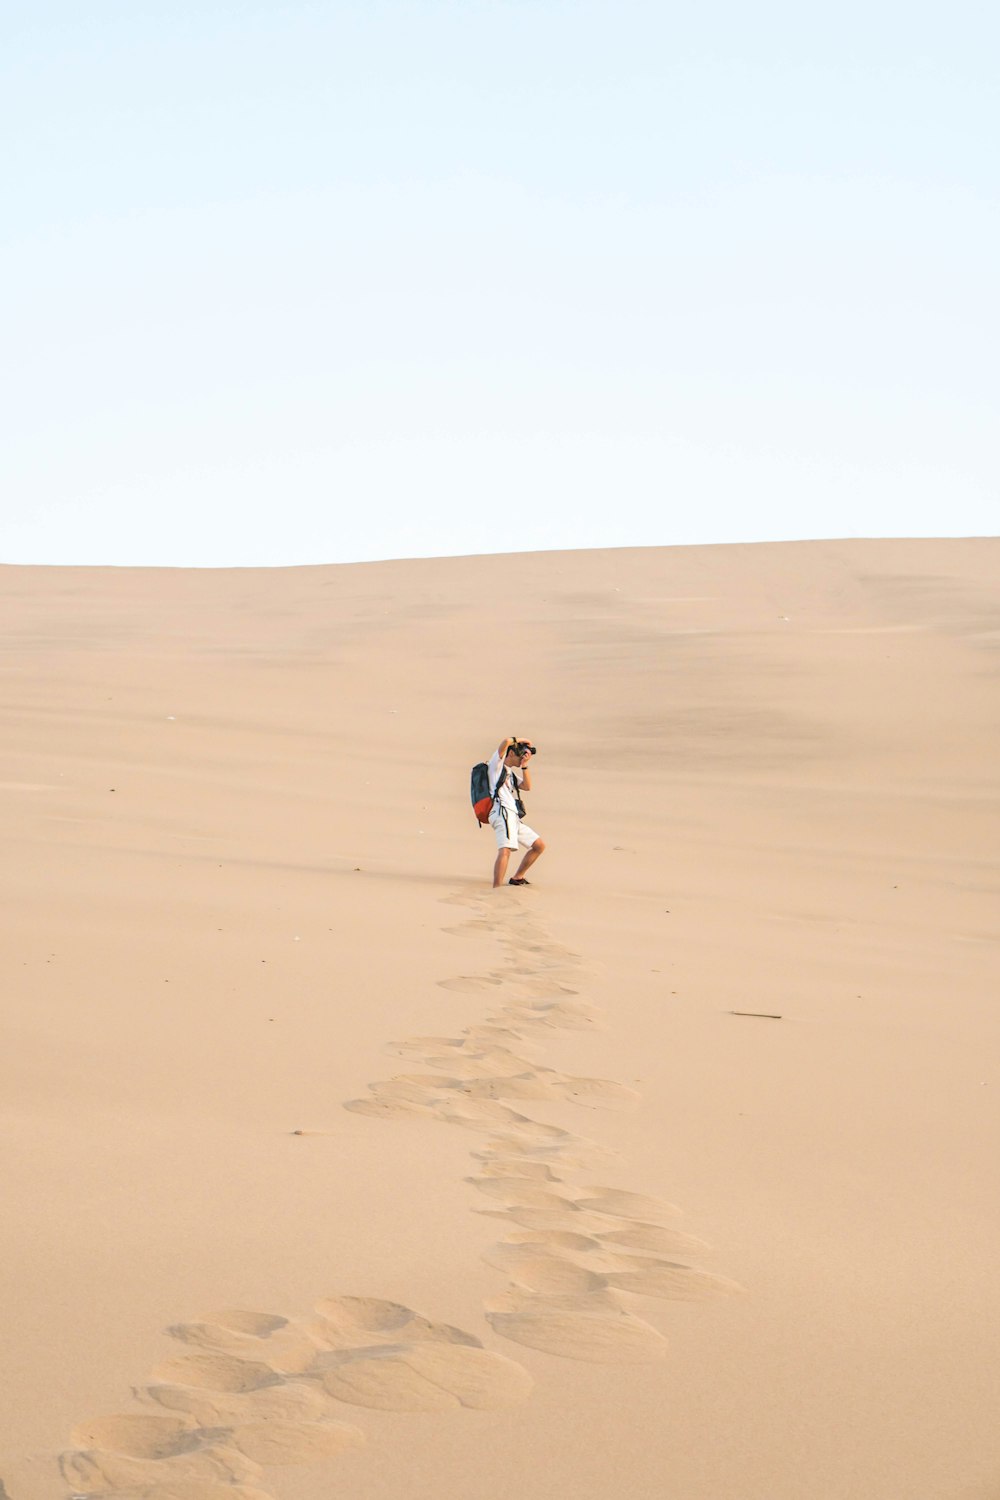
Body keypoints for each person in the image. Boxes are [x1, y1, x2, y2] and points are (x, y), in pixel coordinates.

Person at [487, 736, 546, 888]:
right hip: (502, 812)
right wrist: (520, 740)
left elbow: (527, 786)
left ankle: (517, 877)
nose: (522, 758)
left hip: (512, 816)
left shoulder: (510, 774)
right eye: (520, 755)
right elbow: (505, 742)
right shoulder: (496, 766)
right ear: (511, 753)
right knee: (505, 850)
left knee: (538, 846)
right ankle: (496, 888)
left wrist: (524, 766)